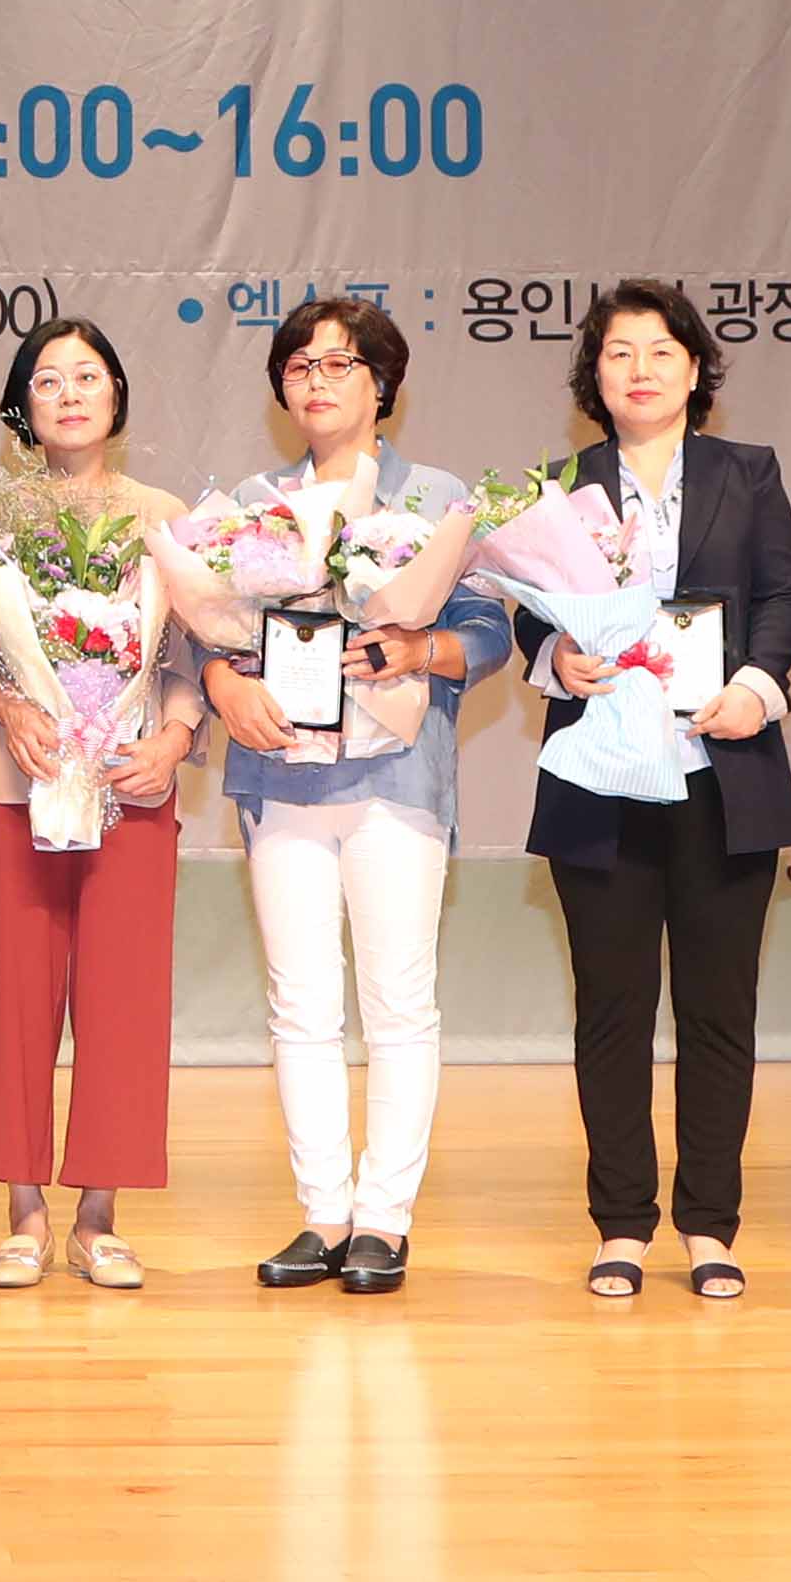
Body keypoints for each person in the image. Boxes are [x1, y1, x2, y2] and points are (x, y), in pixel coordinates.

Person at [202, 296, 512, 1299]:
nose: (317, 381)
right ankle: (321, 1215)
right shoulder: (252, 502)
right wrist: (222, 683)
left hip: (394, 778)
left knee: (397, 1004)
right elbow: (214, 635)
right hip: (280, 774)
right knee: (298, 1004)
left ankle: (383, 1219)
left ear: (383, 384)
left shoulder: (435, 498)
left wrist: (422, 647)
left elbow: (489, 633)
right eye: (299, 366)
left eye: (339, 364)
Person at [510, 280, 791, 1303]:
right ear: (593, 375)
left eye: (660, 351)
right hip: (600, 778)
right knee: (612, 1009)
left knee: (720, 1011)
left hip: (724, 771)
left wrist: (757, 688)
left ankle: (711, 1225)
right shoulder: (559, 488)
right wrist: (555, 658)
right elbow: (530, 616)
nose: (639, 369)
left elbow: (781, 596)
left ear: (694, 368)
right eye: (618, 352)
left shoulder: (748, 472)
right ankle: (622, 1224)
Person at [0, 317, 199, 1292]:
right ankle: (23, 1211)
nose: (69, 395)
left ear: (116, 395)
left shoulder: (162, 517)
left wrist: (172, 742)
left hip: (129, 788)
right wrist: (7, 707)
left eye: (87, 376)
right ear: (23, 406)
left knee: (122, 1000)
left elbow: (190, 656)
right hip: (15, 785)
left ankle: (98, 1215)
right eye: (47, 381)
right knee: (11, 998)